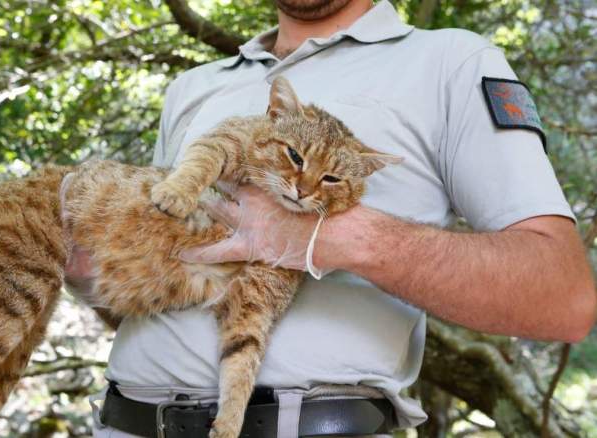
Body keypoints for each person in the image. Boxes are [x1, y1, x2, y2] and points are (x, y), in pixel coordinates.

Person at [65, 0, 597, 436]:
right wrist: (91, 275)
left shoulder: (451, 61)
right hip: (121, 421)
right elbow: (149, 296)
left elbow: (563, 297)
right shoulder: (193, 86)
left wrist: (327, 236)